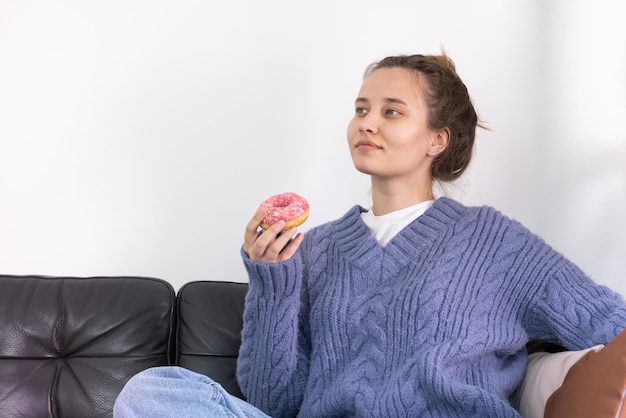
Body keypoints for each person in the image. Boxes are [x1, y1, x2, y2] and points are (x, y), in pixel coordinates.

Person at [114, 52, 626, 417]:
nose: (367, 123)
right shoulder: (313, 250)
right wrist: (272, 280)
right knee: (152, 391)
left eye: (391, 111)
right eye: (361, 109)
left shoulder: (494, 242)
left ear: (436, 139)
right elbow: (273, 402)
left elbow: (608, 322)